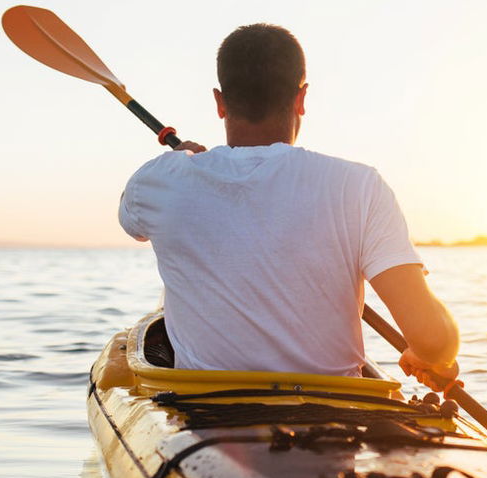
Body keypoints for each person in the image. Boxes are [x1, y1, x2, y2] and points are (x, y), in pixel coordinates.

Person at [118, 23, 459, 391]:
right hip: (336, 418)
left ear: (220, 102)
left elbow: (130, 218)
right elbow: (433, 340)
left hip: (202, 412)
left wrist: (182, 159)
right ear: (301, 98)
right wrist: (431, 356)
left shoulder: (160, 180)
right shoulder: (361, 186)